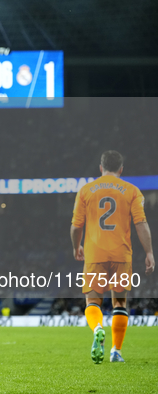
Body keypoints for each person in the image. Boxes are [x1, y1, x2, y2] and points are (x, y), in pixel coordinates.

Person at [70, 150, 154, 364]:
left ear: (101, 168)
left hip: (95, 253)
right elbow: (141, 224)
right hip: (121, 253)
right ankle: (116, 351)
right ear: (121, 169)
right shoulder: (132, 191)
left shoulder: (86, 190)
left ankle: (98, 327)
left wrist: (76, 246)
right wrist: (149, 252)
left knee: (92, 301)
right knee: (119, 302)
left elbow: (75, 226)